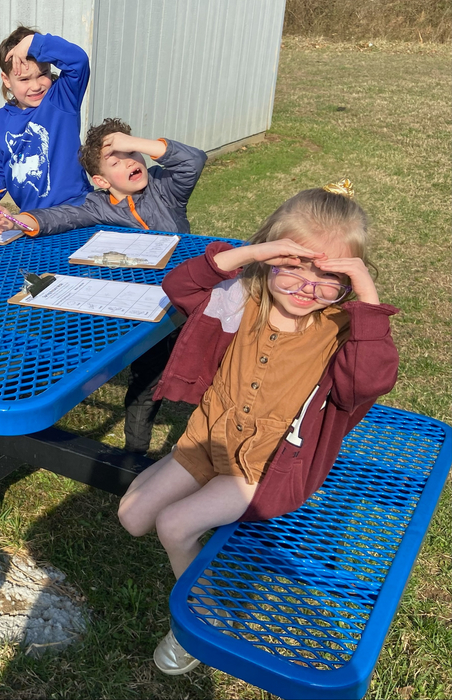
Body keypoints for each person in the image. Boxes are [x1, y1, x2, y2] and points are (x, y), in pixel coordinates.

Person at [115, 184, 399, 675]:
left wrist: (366, 298)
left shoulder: (340, 330)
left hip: (266, 468)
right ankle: (197, 493)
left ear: (350, 280)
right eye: (292, 265)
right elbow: (180, 286)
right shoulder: (240, 298)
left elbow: (370, 382)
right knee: (132, 517)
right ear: (269, 257)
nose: (307, 288)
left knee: (173, 525)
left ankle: (204, 624)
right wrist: (255, 253)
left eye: (330, 277)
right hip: (210, 442)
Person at [0, 118, 208, 453]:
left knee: (211, 376)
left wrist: (140, 142)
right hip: (146, 308)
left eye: (131, 153)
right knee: (146, 383)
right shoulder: (97, 204)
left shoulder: (166, 188)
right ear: (100, 180)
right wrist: (21, 220)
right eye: (116, 160)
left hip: (190, 303)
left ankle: (216, 446)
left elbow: (193, 159)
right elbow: (62, 216)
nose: (130, 162)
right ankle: (135, 456)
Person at [0, 26, 91, 214]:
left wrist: (34, 43)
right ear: (6, 80)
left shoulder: (62, 99)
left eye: (43, 74)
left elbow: (79, 61)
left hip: (76, 210)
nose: (36, 86)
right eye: (25, 79)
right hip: (33, 218)